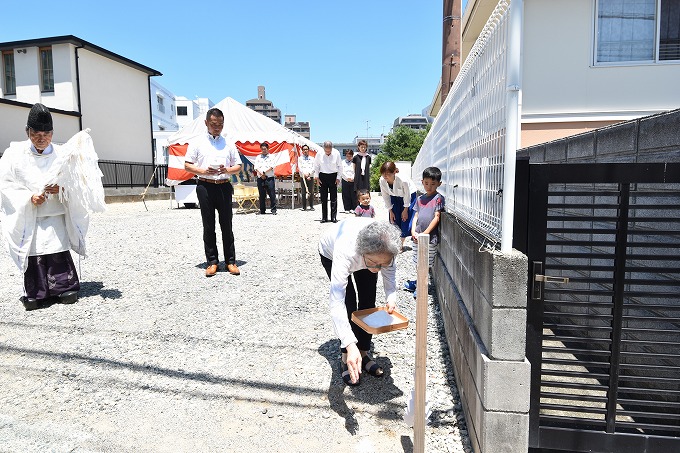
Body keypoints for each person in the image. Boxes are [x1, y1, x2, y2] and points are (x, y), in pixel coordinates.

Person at [0, 104, 102, 310]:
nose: (41, 138)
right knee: (35, 250)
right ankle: (36, 292)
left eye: (46, 134)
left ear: (52, 133)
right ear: (27, 131)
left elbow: (78, 183)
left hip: (56, 215)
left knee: (57, 249)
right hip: (30, 217)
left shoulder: (63, 154)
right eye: (36, 133)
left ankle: (64, 287)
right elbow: (5, 185)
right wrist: (28, 198)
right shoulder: (13, 154)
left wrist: (63, 188)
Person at [318, 218, 402, 385]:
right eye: (375, 264)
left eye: (382, 264)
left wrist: (391, 297)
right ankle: (346, 357)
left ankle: (362, 353)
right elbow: (337, 302)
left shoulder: (386, 250)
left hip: (368, 254)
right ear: (362, 252)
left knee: (368, 302)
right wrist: (349, 344)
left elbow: (389, 276)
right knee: (349, 303)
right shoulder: (346, 251)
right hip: (331, 252)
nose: (378, 269)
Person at [185, 108, 243, 277]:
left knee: (227, 225)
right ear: (206, 123)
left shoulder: (229, 143)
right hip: (205, 186)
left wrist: (228, 169)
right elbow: (187, 165)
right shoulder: (197, 142)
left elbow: (238, 166)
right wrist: (203, 171)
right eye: (213, 124)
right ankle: (212, 262)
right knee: (208, 225)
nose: (217, 127)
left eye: (220, 124)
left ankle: (231, 261)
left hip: (224, 185)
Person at [404, 167, 445, 294]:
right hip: (417, 236)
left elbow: (436, 218)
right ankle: (418, 282)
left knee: (426, 263)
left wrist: (425, 233)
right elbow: (415, 216)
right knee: (417, 261)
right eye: (426, 183)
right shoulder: (420, 199)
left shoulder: (438, 198)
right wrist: (413, 232)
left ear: (439, 184)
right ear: (422, 182)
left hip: (429, 237)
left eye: (433, 184)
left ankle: (422, 287)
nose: (429, 186)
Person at [379, 161, 417, 248]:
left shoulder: (402, 180)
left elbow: (407, 195)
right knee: (394, 219)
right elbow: (385, 196)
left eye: (388, 173)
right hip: (394, 196)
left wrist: (406, 209)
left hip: (409, 196)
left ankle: (401, 245)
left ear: (395, 172)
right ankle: (395, 242)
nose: (385, 176)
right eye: (383, 173)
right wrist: (390, 210)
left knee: (405, 219)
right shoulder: (382, 180)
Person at [314, 141, 342, 223]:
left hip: (333, 176)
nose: (328, 153)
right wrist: (317, 177)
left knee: (334, 198)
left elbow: (340, 166)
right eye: (326, 151)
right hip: (323, 176)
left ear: (332, 148)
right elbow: (316, 166)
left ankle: (333, 217)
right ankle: (324, 217)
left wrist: (338, 177)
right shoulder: (319, 154)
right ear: (323, 148)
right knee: (323, 198)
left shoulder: (336, 153)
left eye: (329, 151)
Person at [253, 142, 277, 215]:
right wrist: (261, 174)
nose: (264, 150)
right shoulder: (258, 157)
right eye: (262, 149)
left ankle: (273, 210)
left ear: (268, 149)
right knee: (262, 194)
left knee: (272, 194)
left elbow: (272, 166)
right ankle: (262, 210)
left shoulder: (272, 157)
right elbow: (256, 167)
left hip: (269, 177)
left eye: (265, 149)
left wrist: (264, 172)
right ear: (261, 149)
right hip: (260, 178)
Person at [297, 144, 315, 211]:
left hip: (310, 177)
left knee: (311, 191)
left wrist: (309, 174)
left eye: (306, 149)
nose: (305, 151)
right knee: (304, 192)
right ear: (302, 151)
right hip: (303, 177)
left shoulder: (312, 159)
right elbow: (300, 167)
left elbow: (314, 167)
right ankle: (304, 206)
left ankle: (311, 206)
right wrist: (304, 174)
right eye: (304, 149)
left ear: (308, 150)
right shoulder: (300, 159)